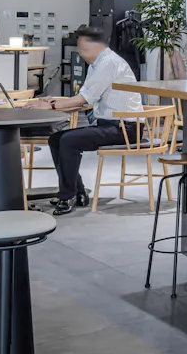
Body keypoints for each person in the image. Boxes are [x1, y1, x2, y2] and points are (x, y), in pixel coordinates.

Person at [23, 26, 139, 216]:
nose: (80, 53)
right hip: (109, 125)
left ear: (97, 46)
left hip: (124, 128)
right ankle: (78, 192)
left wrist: (50, 106)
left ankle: (67, 196)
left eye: (83, 48)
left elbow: (83, 100)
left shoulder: (108, 63)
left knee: (69, 140)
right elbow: (85, 98)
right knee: (56, 139)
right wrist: (51, 103)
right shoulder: (97, 64)